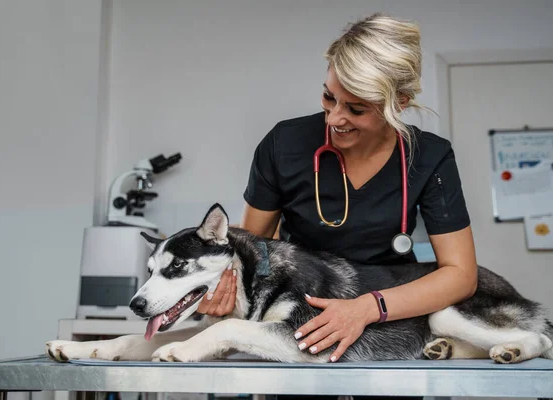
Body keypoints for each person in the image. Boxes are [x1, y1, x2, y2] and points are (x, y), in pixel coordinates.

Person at [196, 12, 478, 399]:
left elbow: (461, 274)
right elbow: (251, 250)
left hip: (388, 326)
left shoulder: (429, 157)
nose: (335, 118)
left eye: (357, 109)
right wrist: (221, 291)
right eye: (330, 97)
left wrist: (367, 308)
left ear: (401, 102)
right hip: (298, 325)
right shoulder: (285, 145)